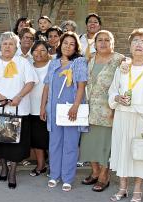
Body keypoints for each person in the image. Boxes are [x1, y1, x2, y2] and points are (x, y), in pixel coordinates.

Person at [108, 28, 143, 202]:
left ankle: (138, 189)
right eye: (135, 41)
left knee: (141, 153)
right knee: (122, 151)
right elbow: (113, 90)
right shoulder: (123, 67)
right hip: (123, 115)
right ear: (130, 45)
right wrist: (117, 98)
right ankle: (122, 188)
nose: (139, 45)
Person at [0, 32, 38, 189]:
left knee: (16, 144)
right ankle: (3, 166)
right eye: (5, 44)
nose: (8, 46)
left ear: (17, 47)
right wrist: (2, 98)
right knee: (1, 142)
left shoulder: (23, 62)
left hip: (18, 108)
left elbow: (30, 82)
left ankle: (13, 170)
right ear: (0, 46)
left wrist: (18, 97)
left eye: (11, 44)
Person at [40, 31, 88, 192]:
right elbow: (47, 86)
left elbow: (81, 85)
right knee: (54, 143)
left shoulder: (80, 62)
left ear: (76, 47)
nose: (68, 46)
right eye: (65, 43)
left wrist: (75, 106)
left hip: (70, 110)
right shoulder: (53, 63)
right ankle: (54, 175)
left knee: (70, 144)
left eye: (72, 44)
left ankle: (67, 177)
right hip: (54, 109)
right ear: (60, 44)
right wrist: (43, 107)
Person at [79, 30, 124, 192]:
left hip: (109, 110)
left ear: (113, 43)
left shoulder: (120, 60)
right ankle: (95, 171)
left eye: (107, 40)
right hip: (89, 109)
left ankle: (104, 175)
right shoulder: (89, 58)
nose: (103, 43)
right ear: (95, 43)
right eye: (100, 40)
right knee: (89, 142)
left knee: (106, 145)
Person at [29, 40, 50, 177]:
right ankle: (41, 164)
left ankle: (53, 166)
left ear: (48, 52)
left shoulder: (52, 65)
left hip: (47, 108)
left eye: (42, 50)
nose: (39, 53)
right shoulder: (28, 66)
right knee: (36, 139)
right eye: (36, 50)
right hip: (31, 107)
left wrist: (45, 106)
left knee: (50, 139)